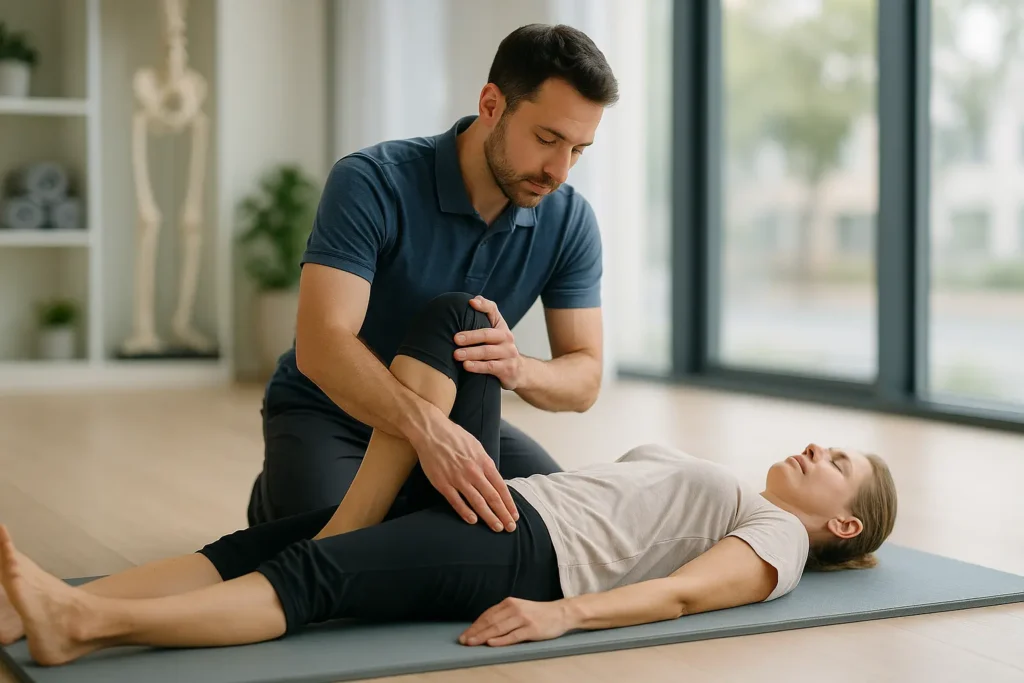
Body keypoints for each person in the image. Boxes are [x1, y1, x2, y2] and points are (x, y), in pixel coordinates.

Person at [0, 293, 899, 667]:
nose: (817, 451)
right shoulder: (738, 491)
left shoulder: (777, 536)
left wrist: (563, 612)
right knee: (455, 321)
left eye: (838, 464)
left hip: (531, 555)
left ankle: (84, 620)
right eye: (826, 445)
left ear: (846, 526)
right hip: (511, 502)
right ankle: (22, 608)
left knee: (318, 577)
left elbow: (679, 597)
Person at [247, 23, 619, 530]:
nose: (560, 171)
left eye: (577, 150)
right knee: (336, 560)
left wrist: (519, 370)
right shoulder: (371, 181)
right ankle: (282, 487)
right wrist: (427, 432)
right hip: (331, 411)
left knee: (560, 532)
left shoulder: (570, 218)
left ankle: (412, 501)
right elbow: (321, 343)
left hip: (455, 416)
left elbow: (585, 377)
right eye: (547, 138)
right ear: (492, 105)